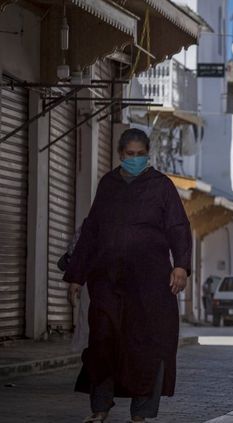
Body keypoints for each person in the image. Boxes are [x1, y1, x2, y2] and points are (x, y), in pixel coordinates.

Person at [64, 128, 192, 423]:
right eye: (129, 154)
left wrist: (181, 266)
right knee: (103, 343)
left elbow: (178, 228)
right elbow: (92, 231)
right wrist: (76, 275)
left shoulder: (162, 187)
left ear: (148, 155)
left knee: (147, 347)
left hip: (149, 286)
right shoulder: (108, 184)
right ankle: (100, 409)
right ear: (120, 155)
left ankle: (141, 414)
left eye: (140, 154)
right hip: (107, 282)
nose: (134, 159)